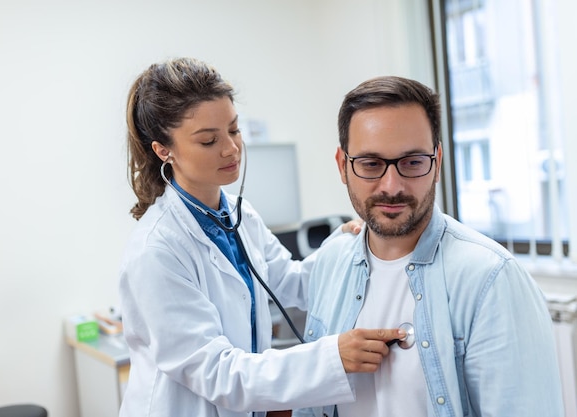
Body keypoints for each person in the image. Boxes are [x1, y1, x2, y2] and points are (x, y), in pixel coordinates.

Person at [117, 57, 403, 417]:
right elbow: (217, 373)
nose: (231, 149)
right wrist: (331, 357)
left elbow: (294, 284)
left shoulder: (241, 215)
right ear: (164, 150)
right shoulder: (156, 251)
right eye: (209, 140)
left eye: (234, 130)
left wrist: (347, 244)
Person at [295, 76, 564, 417]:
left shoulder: (490, 279)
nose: (391, 186)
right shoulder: (330, 262)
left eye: (412, 162)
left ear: (436, 161)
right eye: (371, 164)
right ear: (342, 166)